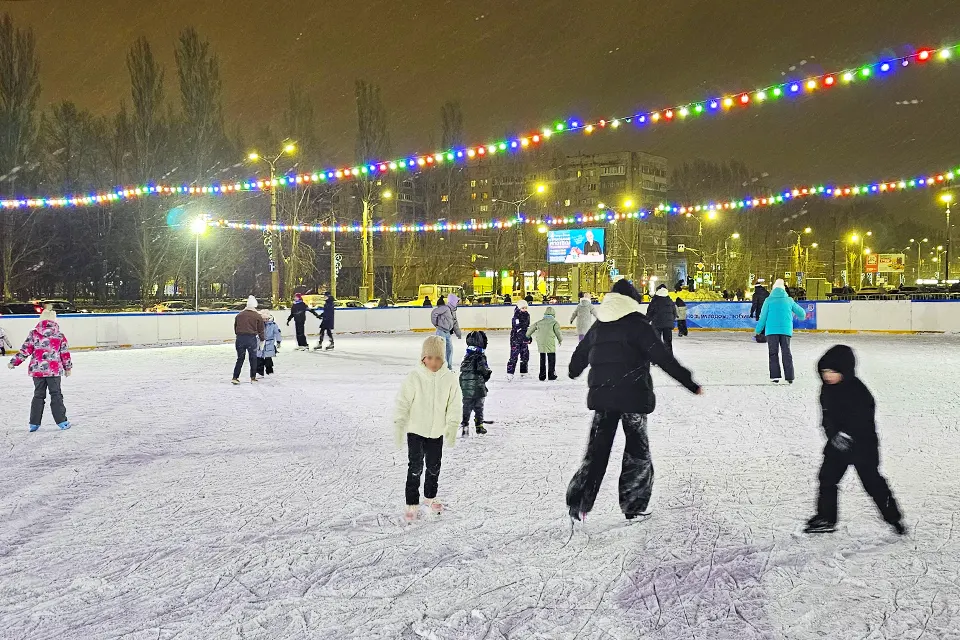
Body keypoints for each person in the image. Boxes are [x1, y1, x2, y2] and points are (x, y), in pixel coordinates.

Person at [567, 279, 702, 522]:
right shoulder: (638, 325)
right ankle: (633, 506)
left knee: (595, 452)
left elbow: (579, 357)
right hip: (633, 398)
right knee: (637, 452)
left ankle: (578, 504)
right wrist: (689, 382)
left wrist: (574, 370)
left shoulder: (599, 326)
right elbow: (663, 357)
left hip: (603, 399)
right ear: (631, 301)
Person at [804, 345, 906, 535]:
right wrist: (834, 435)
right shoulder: (826, 390)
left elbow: (863, 421)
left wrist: (848, 435)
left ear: (845, 371)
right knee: (826, 479)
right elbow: (827, 417)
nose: (828, 376)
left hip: (863, 447)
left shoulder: (860, 392)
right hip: (837, 446)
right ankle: (826, 518)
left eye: (833, 372)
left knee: (872, 483)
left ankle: (893, 517)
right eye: (824, 372)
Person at [394, 335, 462, 522]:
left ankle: (430, 497)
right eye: (429, 357)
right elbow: (403, 402)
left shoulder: (449, 378)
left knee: (434, 467)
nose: (433, 362)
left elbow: (454, 404)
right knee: (415, 467)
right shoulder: (414, 377)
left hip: (436, 432)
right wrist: (399, 423)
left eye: (438, 358)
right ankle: (411, 503)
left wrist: (452, 426)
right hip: (416, 430)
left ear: (444, 358)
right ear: (423, 358)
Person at [7, 308, 73, 431]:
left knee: (38, 395)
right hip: (53, 371)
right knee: (56, 395)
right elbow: (64, 353)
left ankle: (34, 423)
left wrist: (14, 362)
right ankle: (62, 422)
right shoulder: (59, 335)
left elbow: (25, 350)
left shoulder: (33, 334)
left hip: (37, 370)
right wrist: (67, 368)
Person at [755, 279, 806, 384]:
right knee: (786, 353)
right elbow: (802, 313)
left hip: (772, 331)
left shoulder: (768, 300)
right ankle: (789, 377)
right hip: (785, 330)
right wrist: (800, 317)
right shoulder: (789, 300)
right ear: (784, 290)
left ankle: (775, 376)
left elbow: (763, 317)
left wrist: (758, 330)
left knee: (773, 353)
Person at [459, 331, 492, 436]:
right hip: (477, 386)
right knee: (479, 406)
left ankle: (465, 425)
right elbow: (483, 370)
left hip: (465, 385)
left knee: (467, 406)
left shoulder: (467, 355)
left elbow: (463, 370)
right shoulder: (481, 356)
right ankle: (479, 426)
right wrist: (487, 374)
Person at [233, 296, 265, 385]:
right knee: (253, 358)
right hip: (251, 338)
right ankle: (253, 377)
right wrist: (262, 339)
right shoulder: (257, 316)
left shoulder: (239, 315)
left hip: (240, 338)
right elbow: (261, 329)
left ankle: (235, 377)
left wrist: (239, 334)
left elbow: (235, 328)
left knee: (240, 358)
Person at [526, 306, 563, 381]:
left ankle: (542, 375)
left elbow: (530, 329)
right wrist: (560, 340)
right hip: (550, 342)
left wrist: (527, 336)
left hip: (541, 342)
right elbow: (558, 333)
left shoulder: (539, 322)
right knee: (551, 358)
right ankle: (551, 375)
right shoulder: (555, 323)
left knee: (542, 358)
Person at [430, 294, 462, 369]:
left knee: (449, 349)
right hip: (441, 331)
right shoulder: (445, 308)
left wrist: (458, 333)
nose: (457, 303)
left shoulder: (453, 311)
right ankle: (440, 367)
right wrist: (436, 324)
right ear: (453, 301)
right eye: (456, 301)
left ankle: (448, 367)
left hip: (447, 332)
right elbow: (434, 313)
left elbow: (455, 322)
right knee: (441, 350)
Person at [646, 284, 678, 353]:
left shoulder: (655, 300)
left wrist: (647, 321)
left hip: (657, 324)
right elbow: (674, 313)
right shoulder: (670, 300)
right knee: (668, 342)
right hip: (668, 325)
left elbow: (650, 312)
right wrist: (671, 320)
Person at [506, 299, 531, 380]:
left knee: (525, 355)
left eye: (526, 308)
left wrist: (528, 336)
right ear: (519, 308)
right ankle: (510, 373)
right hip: (515, 339)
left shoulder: (527, 315)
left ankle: (523, 372)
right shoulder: (516, 317)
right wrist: (524, 336)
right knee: (514, 356)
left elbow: (527, 327)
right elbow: (518, 328)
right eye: (523, 308)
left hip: (524, 338)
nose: (525, 309)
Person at [256, 310, 282, 377]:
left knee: (268, 358)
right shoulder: (257, 324)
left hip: (269, 343)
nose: (265, 320)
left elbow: (277, 333)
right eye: (263, 319)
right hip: (260, 343)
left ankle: (269, 370)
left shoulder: (273, 325)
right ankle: (259, 372)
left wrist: (278, 341)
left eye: (266, 318)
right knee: (259, 358)